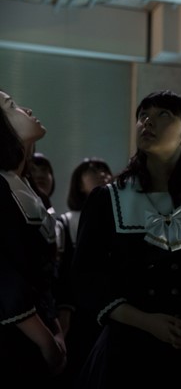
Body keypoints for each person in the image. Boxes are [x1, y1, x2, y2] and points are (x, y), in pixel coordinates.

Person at [70, 90, 181, 388]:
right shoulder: (107, 199)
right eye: (143, 115)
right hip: (125, 353)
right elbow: (86, 278)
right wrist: (146, 321)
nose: (147, 121)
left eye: (163, 115)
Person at [0, 89, 67, 383]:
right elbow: (5, 278)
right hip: (12, 340)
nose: (26, 109)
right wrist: (46, 341)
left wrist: (56, 329)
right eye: (11, 105)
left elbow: (43, 276)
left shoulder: (29, 188)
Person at [52, 157, 113, 388]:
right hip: (77, 313)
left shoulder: (119, 219)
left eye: (105, 170)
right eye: (94, 171)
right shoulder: (66, 222)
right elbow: (64, 274)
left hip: (110, 308)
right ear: (78, 183)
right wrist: (65, 310)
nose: (103, 175)